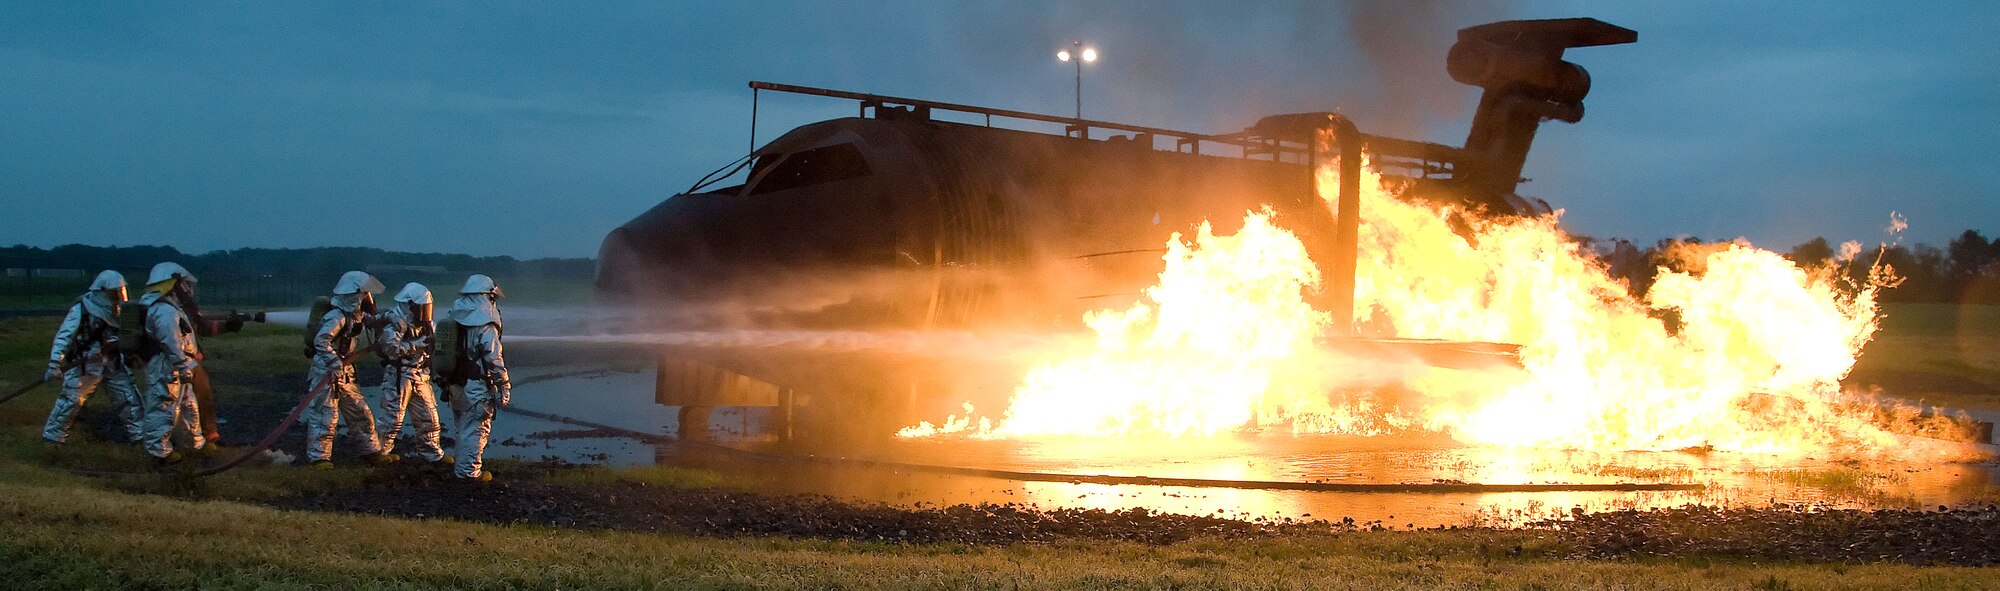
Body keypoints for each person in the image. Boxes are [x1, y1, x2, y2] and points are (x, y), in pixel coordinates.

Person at [303, 270, 396, 469]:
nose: (368, 298)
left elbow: (372, 321)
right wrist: (334, 362)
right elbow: (321, 341)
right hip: (326, 371)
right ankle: (319, 459)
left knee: (360, 412)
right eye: (365, 294)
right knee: (325, 416)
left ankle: (370, 451)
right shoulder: (336, 317)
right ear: (355, 295)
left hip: (344, 372)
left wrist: (388, 319)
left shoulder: (355, 316)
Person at [41, 270, 143, 445]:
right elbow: (64, 336)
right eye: (114, 293)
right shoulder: (81, 309)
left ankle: (140, 436)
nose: (118, 297)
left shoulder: (125, 312)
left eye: (120, 292)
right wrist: (54, 363)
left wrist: (119, 345)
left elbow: (130, 336)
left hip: (113, 363)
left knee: (129, 399)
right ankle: (52, 438)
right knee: (71, 401)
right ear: (101, 292)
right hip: (85, 366)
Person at [137, 262, 207, 464]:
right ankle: (158, 453)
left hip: (176, 365)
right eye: (185, 284)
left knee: (188, 406)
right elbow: (171, 341)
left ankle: (194, 444)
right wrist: (183, 365)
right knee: (163, 407)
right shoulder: (164, 310)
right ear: (173, 283)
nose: (188, 289)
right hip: (167, 366)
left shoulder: (171, 307)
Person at [374, 282, 446, 465]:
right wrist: (416, 345)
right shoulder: (396, 324)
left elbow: (432, 351)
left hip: (421, 377)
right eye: (423, 307)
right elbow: (390, 349)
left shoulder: (428, 325)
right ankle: (379, 454)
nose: (426, 311)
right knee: (392, 419)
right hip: (399, 376)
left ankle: (432, 456)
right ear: (410, 306)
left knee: (429, 419)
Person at [447, 274, 509, 482]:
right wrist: (504, 385)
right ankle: (468, 473)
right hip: (476, 386)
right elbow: (494, 359)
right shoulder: (485, 326)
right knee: (476, 429)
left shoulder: (454, 319)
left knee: (462, 427)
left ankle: (461, 467)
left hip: (455, 383)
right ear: (486, 297)